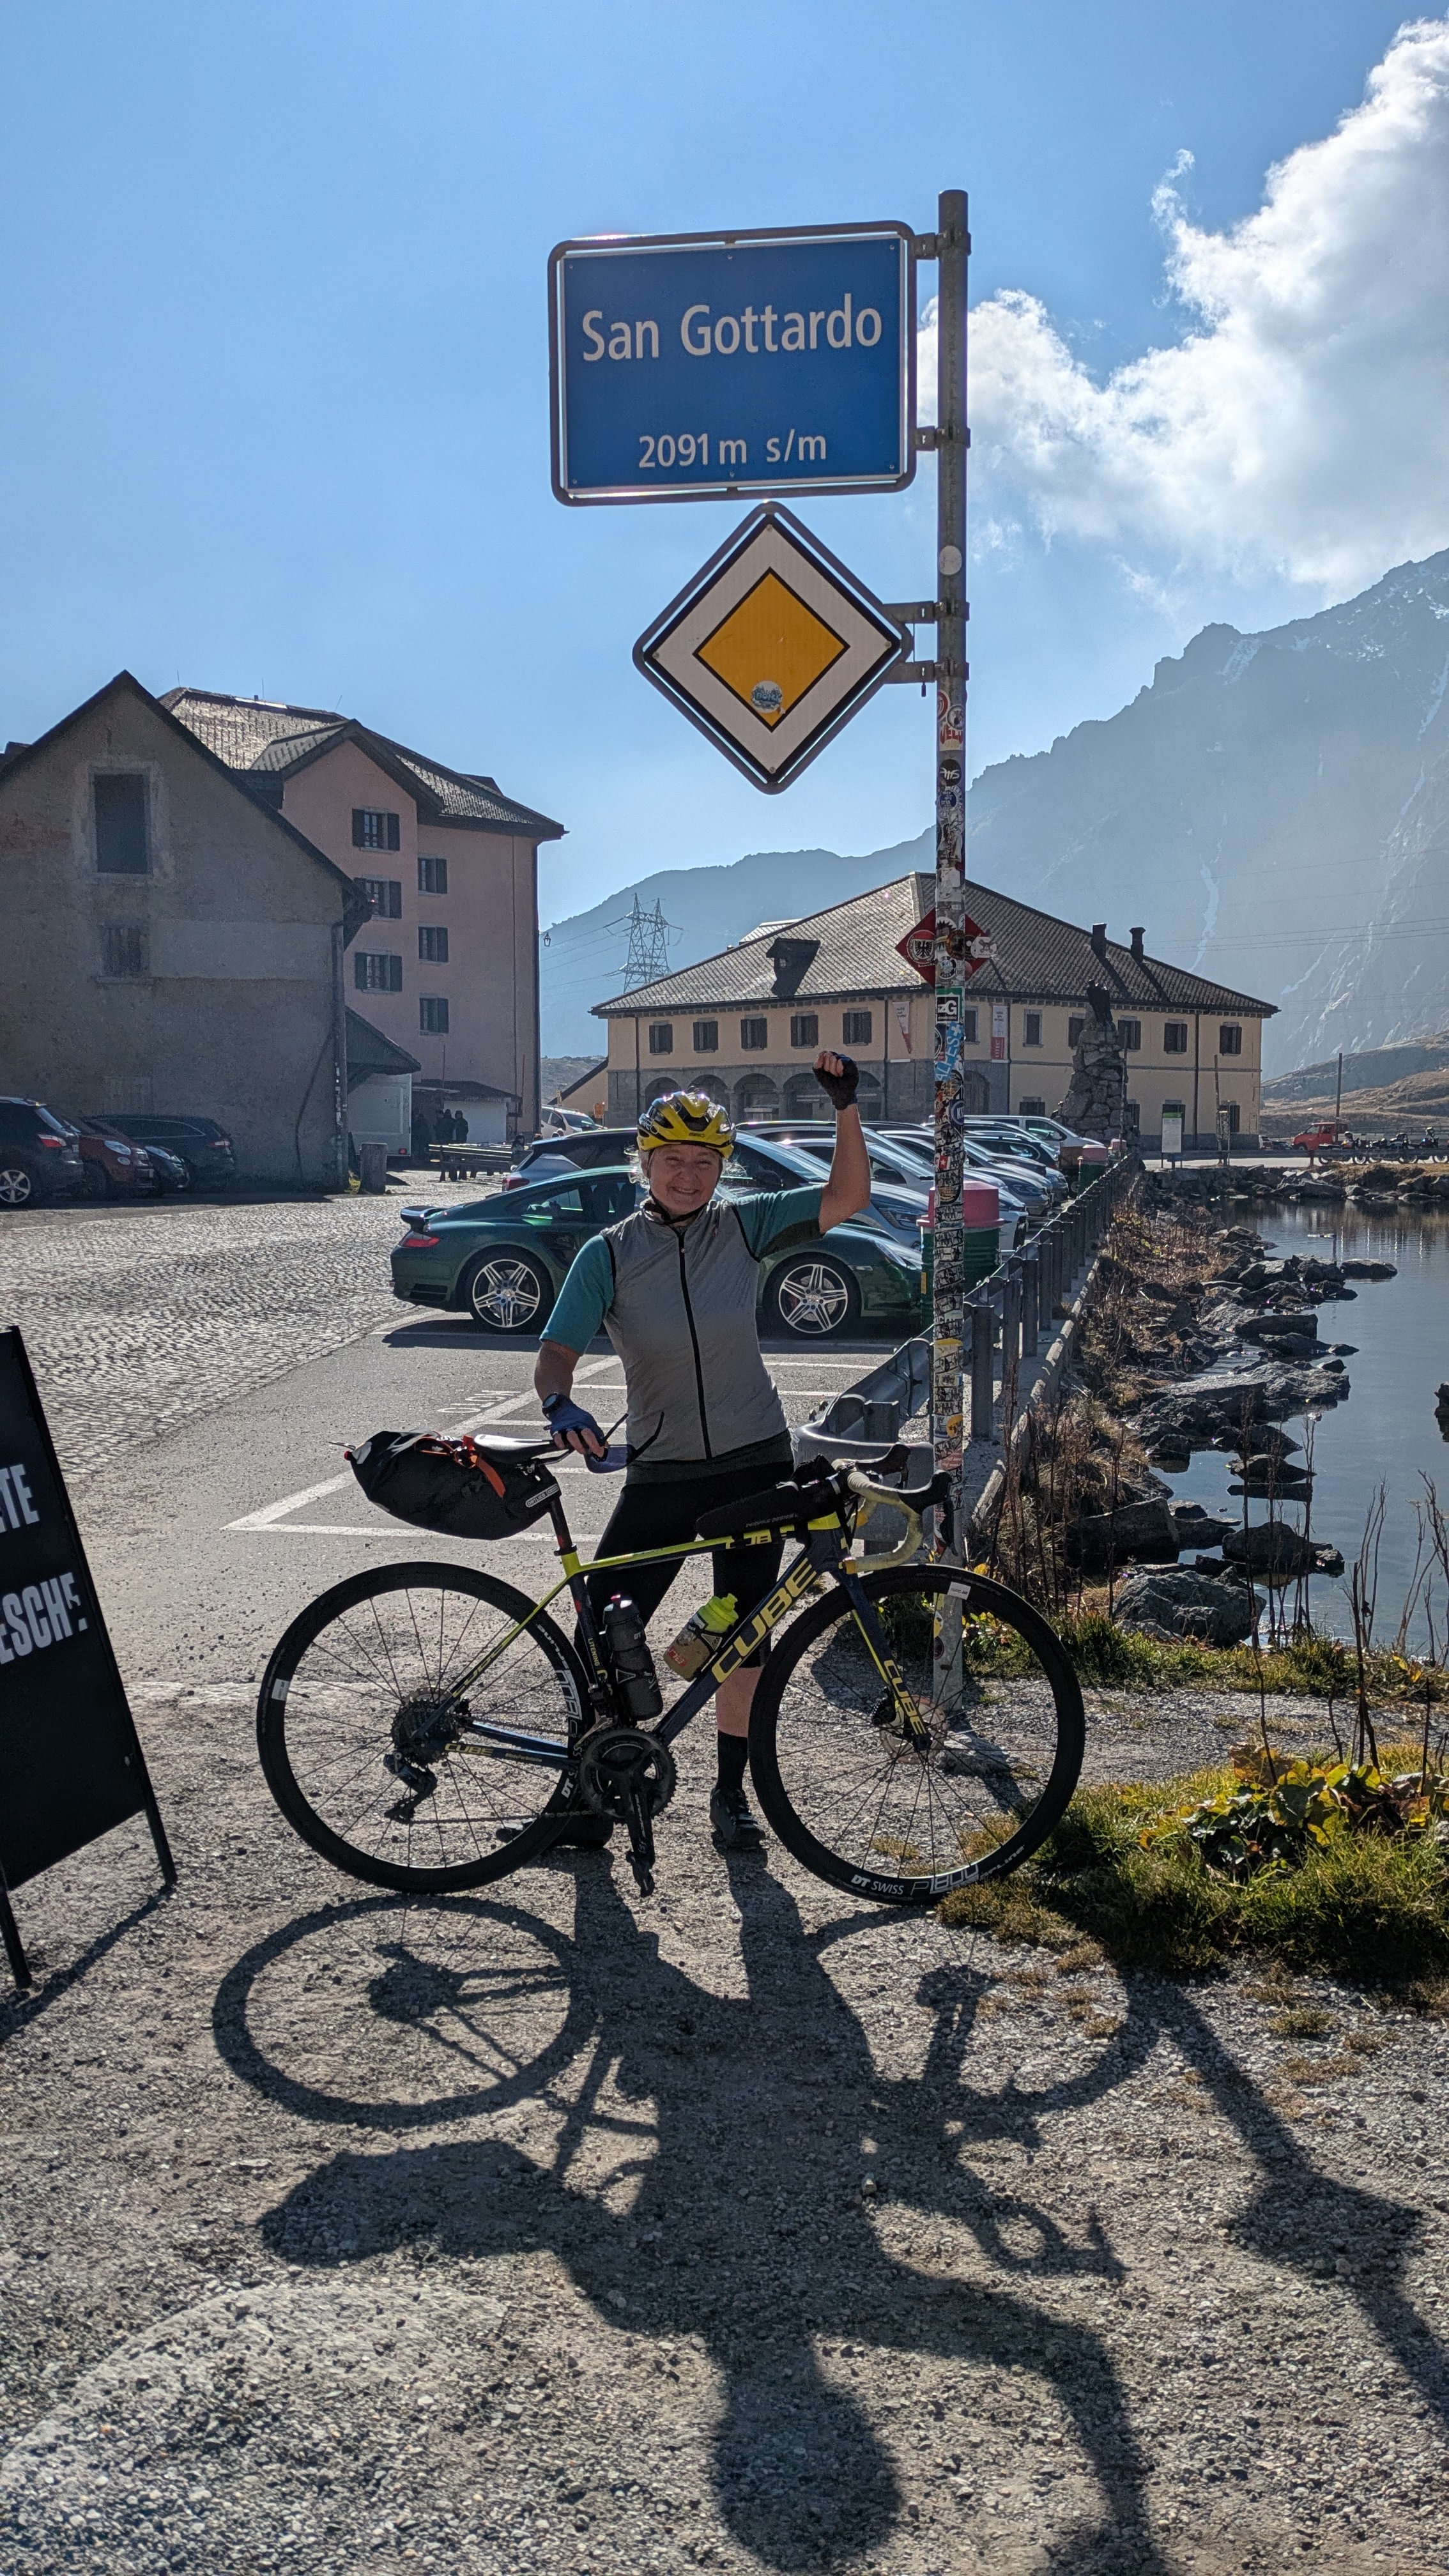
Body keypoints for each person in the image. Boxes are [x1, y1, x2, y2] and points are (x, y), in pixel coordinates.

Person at [535, 1054, 871, 1853]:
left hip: (754, 1463)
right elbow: (556, 1354)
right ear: (643, 1164)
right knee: (603, 1632)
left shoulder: (745, 1225)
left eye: (704, 1162)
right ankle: (591, 1789)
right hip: (663, 1468)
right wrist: (559, 1400)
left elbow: (848, 1196)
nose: (688, 1176)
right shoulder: (608, 1254)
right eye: (672, 1161)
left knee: (741, 1639)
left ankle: (732, 1795)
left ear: (723, 1168)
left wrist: (845, 1109)